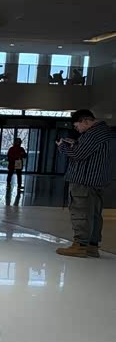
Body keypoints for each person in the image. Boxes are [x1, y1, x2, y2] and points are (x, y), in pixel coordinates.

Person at [55, 110, 114, 258]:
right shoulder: (106, 133)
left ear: (85, 121)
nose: (77, 130)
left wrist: (62, 147)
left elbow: (78, 154)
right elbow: (89, 152)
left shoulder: (93, 134)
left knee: (80, 212)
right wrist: (76, 144)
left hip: (83, 180)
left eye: (77, 126)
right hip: (97, 180)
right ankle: (92, 246)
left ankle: (80, 246)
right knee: (94, 215)